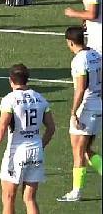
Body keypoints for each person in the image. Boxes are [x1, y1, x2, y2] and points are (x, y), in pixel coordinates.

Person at [0, 64, 55, 214]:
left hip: (17, 151)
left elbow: (1, 128)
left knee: (8, 197)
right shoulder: (40, 98)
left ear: (11, 81)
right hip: (36, 150)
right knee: (30, 198)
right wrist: (40, 145)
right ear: (27, 79)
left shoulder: (10, 100)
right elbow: (51, 128)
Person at [57, 26, 103, 202]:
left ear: (69, 42)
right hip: (98, 105)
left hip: (87, 108)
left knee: (78, 151)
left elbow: (81, 88)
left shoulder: (79, 60)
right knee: (85, 150)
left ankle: (76, 192)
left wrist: (73, 112)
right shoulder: (96, 55)